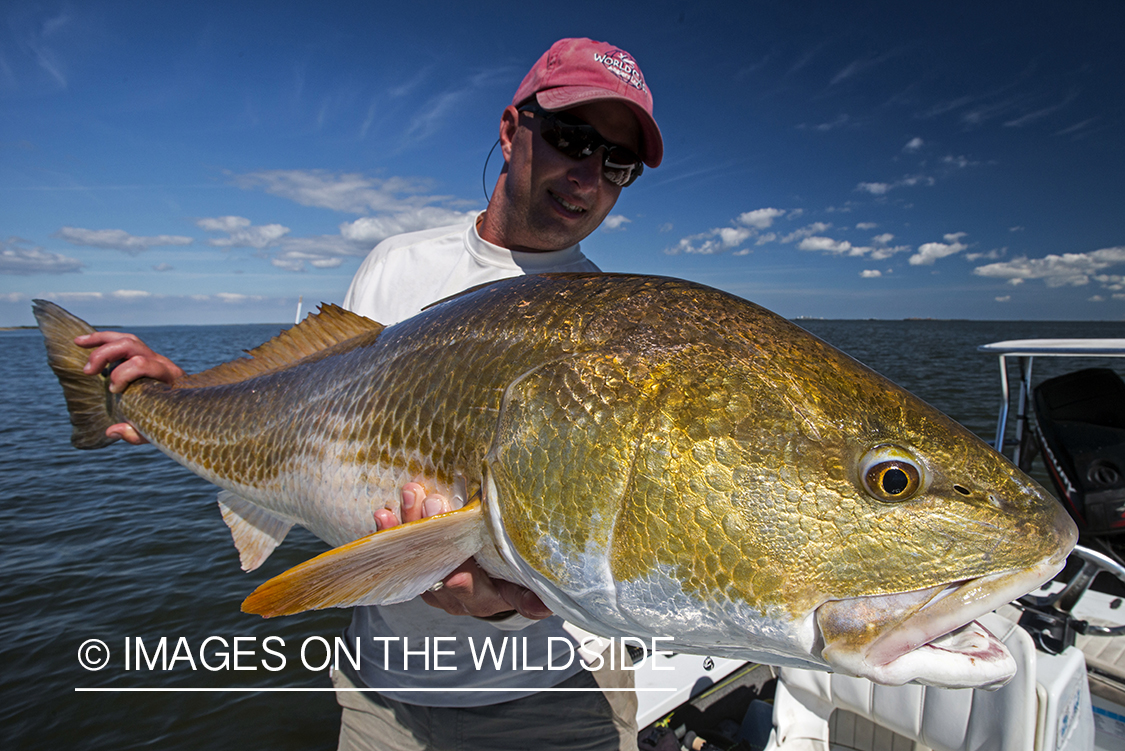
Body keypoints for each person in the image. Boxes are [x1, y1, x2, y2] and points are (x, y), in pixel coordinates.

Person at [78, 37, 662, 751]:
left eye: (617, 163)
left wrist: (503, 605)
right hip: (384, 696)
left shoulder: (612, 324)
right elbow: (305, 413)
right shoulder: (396, 264)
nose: (588, 175)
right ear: (511, 130)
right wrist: (177, 397)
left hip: (554, 695)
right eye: (574, 137)